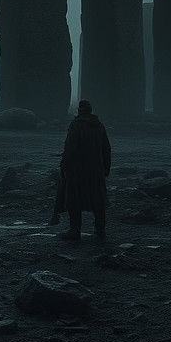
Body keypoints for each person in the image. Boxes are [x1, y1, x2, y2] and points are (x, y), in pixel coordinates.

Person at [57, 99, 111, 240]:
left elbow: (70, 148)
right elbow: (106, 149)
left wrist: (63, 165)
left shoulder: (76, 125)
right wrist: (106, 168)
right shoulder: (99, 126)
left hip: (77, 169)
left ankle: (75, 230)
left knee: (74, 199)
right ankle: (100, 230)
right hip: (96, 169)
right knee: (98, 200)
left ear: (79, 111)